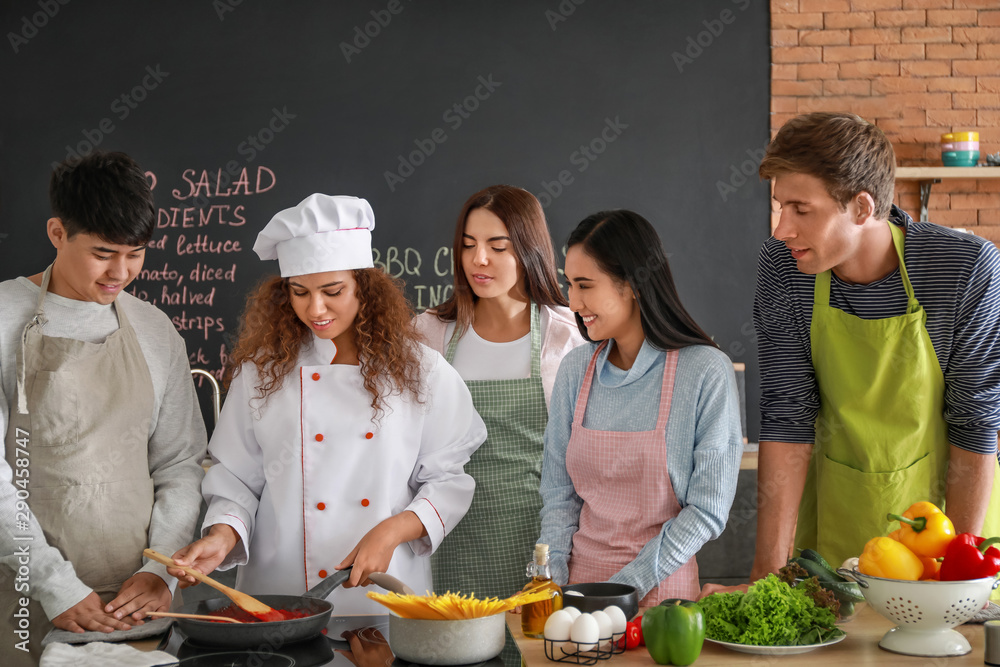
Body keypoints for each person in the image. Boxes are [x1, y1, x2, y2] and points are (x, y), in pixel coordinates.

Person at [702, 112, 1000, 599]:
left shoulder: (963, 268)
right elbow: (787, 414)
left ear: (862, 207)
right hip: (836, 545)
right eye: (779, 207)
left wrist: (959, 582)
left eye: (801, 209)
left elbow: (975, 422)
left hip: (946, 541)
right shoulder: (783, 268)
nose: (781, 230)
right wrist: (766, 581)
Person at [168, 194, 487, 615]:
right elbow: (237, 479)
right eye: (299, 292)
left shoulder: (422, 371)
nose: (314, 309)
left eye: (332, 291)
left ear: (365, 288)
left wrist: (392, 530)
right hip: (278, 592)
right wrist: (223, 534)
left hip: (384, 591)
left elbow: (448, 480)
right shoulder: (263, 373)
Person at [0, 151, 207, 663]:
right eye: (103, 253)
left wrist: (159, 572)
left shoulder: (156, 331)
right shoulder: (3, 318)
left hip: (135, 603)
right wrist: (52, 582)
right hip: (22, 594)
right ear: (56, 233)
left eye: (135, 254)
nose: (121, 272)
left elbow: (180, 464)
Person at [538, 210, 743, 609]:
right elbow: (559, 495)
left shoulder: (703, 371)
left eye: (584, 285)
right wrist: (554, 585)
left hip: (661, 595)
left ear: (630, 284)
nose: (572, 301)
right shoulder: (576, 370)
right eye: (569, 284)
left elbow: (707, 510)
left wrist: (623, 589)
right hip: (577, 594)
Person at [414, 185, 584, 600]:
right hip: (446, 531)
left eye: (497, 246)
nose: (479, 259)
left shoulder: (568, 336)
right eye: (468, 245)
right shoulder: (429, 334)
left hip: (541, 533)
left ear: (528, 250)